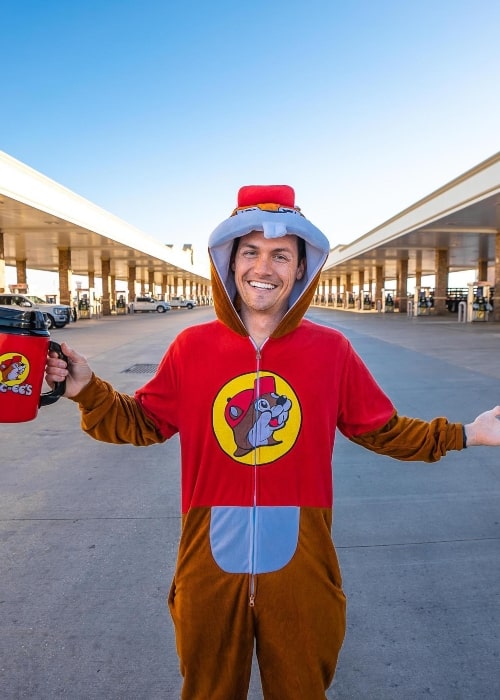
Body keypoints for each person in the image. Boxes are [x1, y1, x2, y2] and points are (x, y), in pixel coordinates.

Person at [45, 185, 500, 700]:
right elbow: (142, 422)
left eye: (281, 254)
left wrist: (467, 433)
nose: (264, 266)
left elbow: (382, 428)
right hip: (208, 557)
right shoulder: (191, 347)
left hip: (302, 560)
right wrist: (87, 390)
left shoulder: (331, 350)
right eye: (251, 251)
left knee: (303, 689)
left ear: (301, 269)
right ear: (229, 262)